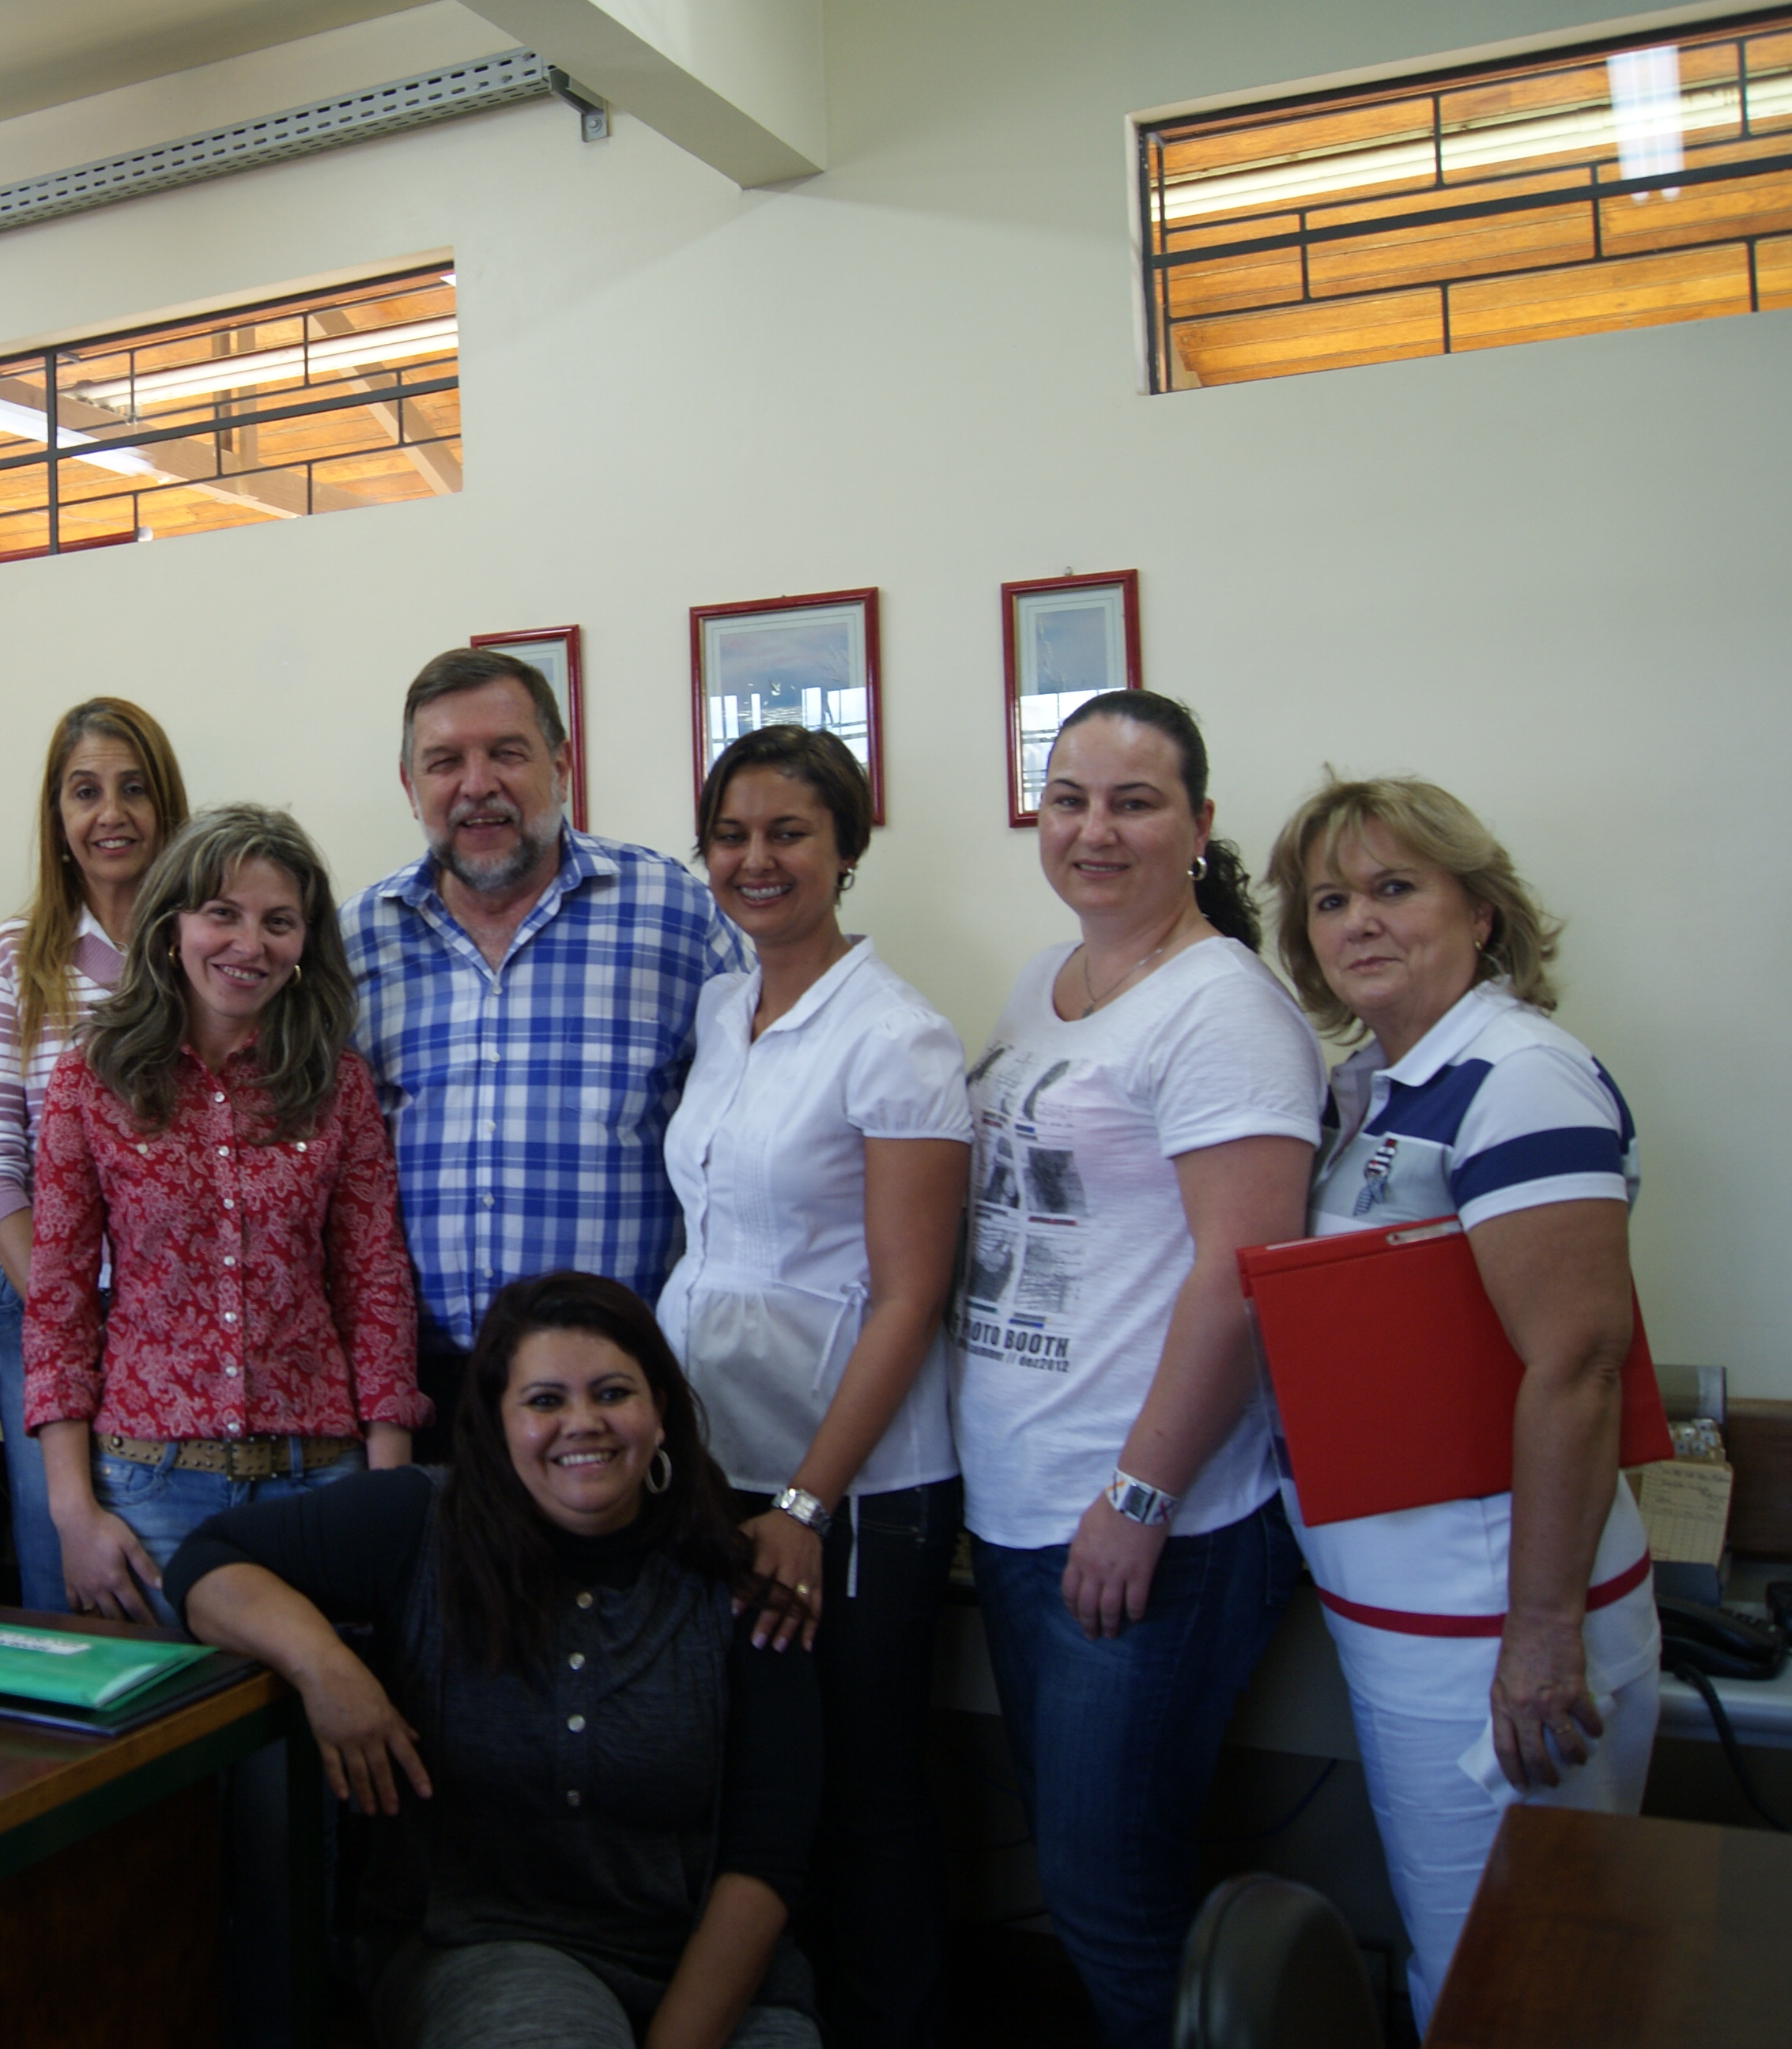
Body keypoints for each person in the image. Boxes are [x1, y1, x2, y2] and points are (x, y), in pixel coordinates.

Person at [949, 689, 1323, 2049]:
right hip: (1019, 1501)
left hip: (1143, 1515)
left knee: (1107, 1894)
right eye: (1067, 798)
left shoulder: (1223, 1012)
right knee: (1076, 1865)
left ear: (1199, 824)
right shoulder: (1043, 983)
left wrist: (1140, 1496)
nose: (1092, 829)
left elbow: (1239, 1278)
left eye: (1132, 800)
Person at [171, 1271, 822, 2049]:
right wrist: (324, 1666)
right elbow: (204, 1566)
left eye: (612, 1394)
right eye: (544, 1401)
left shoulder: (739, 1574)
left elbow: (768, 1849)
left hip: (707, 1967)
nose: (582, 1424)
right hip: (484, 1948)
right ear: (496, 1419)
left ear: (658, 1412)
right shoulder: (417, 1520)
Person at [1264, 773, 1660, 2030]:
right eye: (1332, 901)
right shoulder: (1377, 1087)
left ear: (1479, 913)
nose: (1359, 924)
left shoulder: (1518, 1075)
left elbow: (1579, 1363)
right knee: (1471, 1966)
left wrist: (1540, 1634)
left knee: (1514, 1989)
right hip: (1414, 1615)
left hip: (1499, 1630)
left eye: (1396, 889)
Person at [655, 724, 971, 2049]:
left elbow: (910, 1294)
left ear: (845, 849)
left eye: (787, 832)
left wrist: (806, 1499)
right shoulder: (725, 1007)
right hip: (718, 1457)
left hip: (852, 1487)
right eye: (731, 834)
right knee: (759, 1785)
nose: (754, 858)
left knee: (864, 1794)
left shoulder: (897, 1037)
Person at [25, 804, 427, 1628]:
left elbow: (375, 1287)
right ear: (171, 924)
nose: (250, 945)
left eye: (278, 922)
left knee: (321, 1736)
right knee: (171, 1746)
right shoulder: (87, 1081)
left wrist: (388, 1492)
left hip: (316, 1480)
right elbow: (57, 1305)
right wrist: (72, 1514)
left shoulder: (336, 1084)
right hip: (148, 1487)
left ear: (304, 944)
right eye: (222, 914)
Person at [346, 647, 742, 1453]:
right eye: (444, 761)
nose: (476, 783)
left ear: (561, 764)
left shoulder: (671, 916)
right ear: (409, 786)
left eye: (506, 752)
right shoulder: (353, 942)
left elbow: (769, 1108)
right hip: (420, 1396)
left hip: (612, 1397)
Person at [0, 698, 191, 1610]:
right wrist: (65, 1305)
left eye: (134, 789)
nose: (111, 814)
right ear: (56, 818)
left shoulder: (208, 949)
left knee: (173, 1568)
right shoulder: (16, 959)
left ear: (168, 807)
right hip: (48, 1313)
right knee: (66, 1563)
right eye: (84, 792)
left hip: (184, 1321)